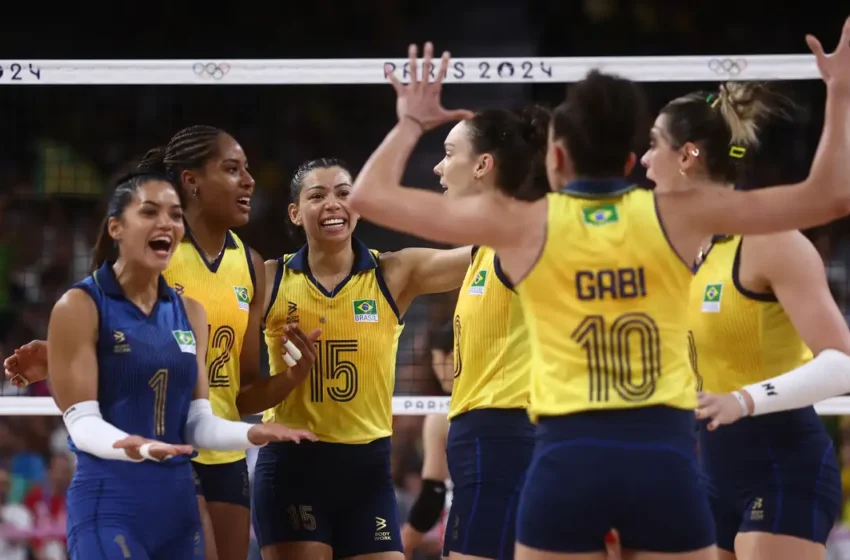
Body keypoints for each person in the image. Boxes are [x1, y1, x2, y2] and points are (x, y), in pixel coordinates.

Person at [346, 29, 850, 560]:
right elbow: (831, 195)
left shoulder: (521, 225)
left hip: (568, 457)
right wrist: (838, 89)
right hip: (663, 456)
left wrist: (412, 122)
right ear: (631, 163)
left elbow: (368, 197)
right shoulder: (680, 216)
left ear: (556, 161)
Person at [6, 125, 319, 560]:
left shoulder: (249, 266)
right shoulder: (149, 254)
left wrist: (291, 379)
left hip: (222, 450)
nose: (249, 181)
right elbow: (106, 326)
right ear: (192, 182)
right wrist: (58, 353)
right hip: (160, 454)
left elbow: (243, 389)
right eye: (232, 169)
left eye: (247, 169)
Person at [639, 83, 848, 560]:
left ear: (688, 155)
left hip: (782, 464)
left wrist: (744, 399)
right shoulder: (674, 248)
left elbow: (842, 365)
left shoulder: (769, 239)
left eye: (654, 143)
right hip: (709, 470)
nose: (644, 160)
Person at [252, 157, 473, 560]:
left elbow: (480, 256)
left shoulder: (394, 272)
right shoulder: (270, 279)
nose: (333, 203)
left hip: (368, 470)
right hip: (293, 468)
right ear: (295, 213)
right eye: (316, 196)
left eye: (343, 193)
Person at [429, 105, 550, 560]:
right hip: (487, 439)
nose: (438, 166)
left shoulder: (523, 237)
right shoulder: (487, 244)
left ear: (483, 165)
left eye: (448, 152)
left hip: (504, 434)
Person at [402, 322, 453, 559]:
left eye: (435, 359)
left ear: (451, 357)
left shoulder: (442, 416)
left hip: (465, 529)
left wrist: (404, 542)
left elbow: (434, 493)